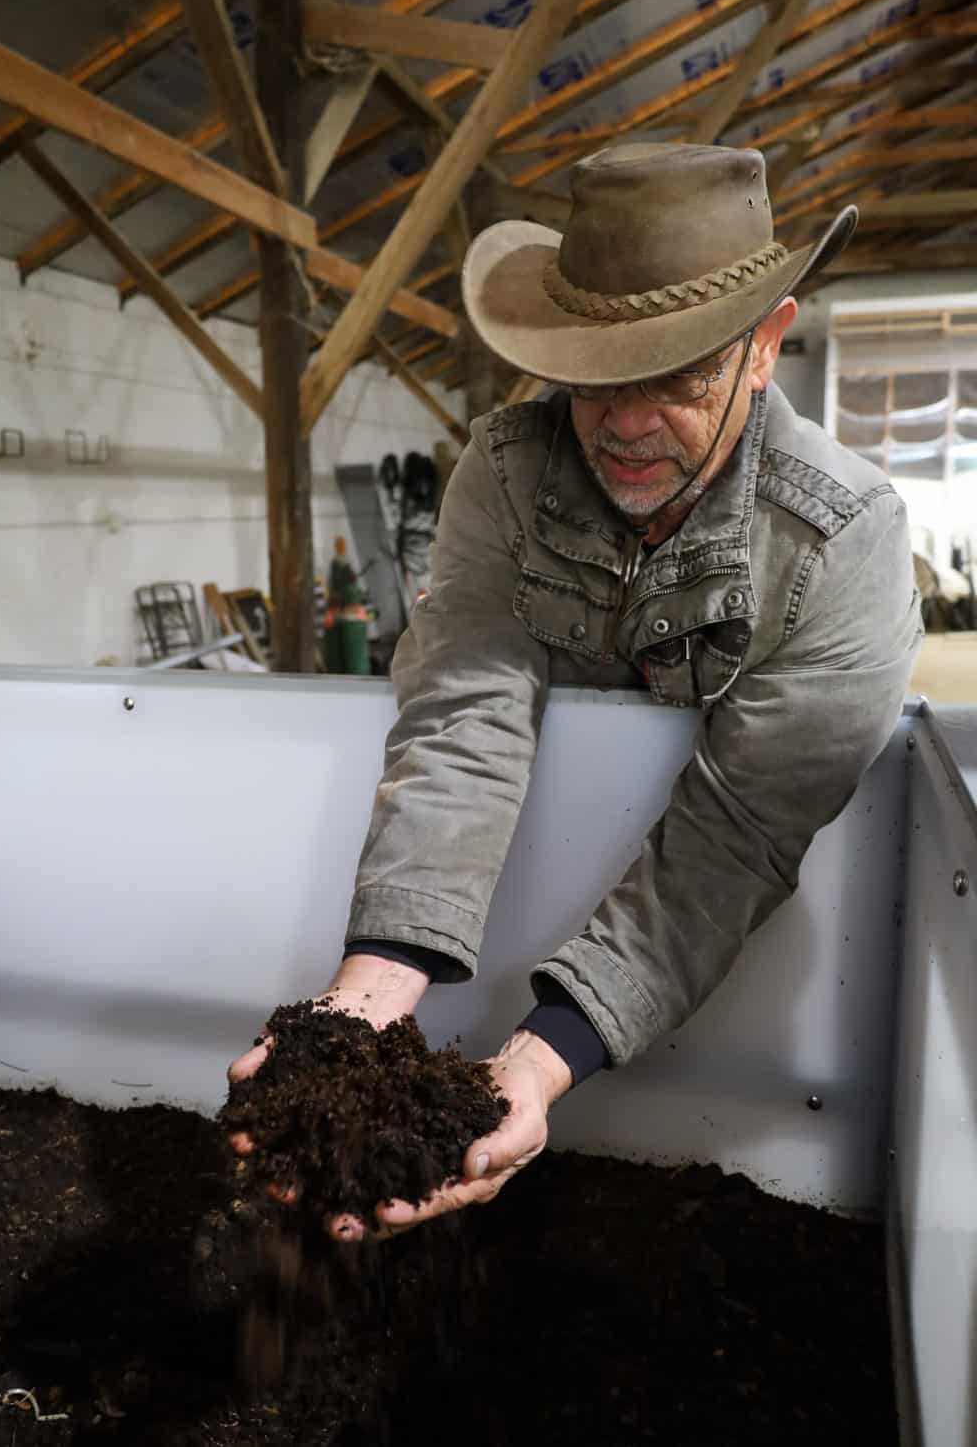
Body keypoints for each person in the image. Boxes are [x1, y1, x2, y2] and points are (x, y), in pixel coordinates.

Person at [230, 143, 922, 1238]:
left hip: (698, 1014)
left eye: (679, 371)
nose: (627, 420)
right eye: (596, 372)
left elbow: (738, 827)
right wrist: (370, 994)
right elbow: (465, 714)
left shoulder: (840, 541)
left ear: (764, 347)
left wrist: (540, 1061)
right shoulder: (502, 473)